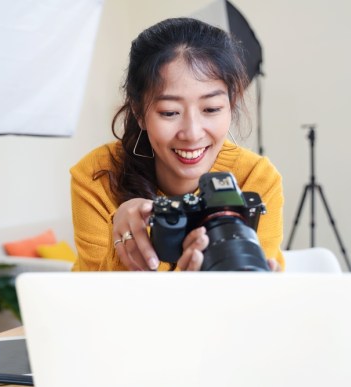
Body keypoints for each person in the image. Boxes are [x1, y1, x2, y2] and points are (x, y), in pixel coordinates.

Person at [70, 17, 284, 272]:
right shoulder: (98, 177)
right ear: (139, 112)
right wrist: (127, 246)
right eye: (170, 112)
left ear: (231, 104)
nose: (192, 133)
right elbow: (92, 302)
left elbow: (255, 293)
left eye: (211, 108)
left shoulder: (255, 178)